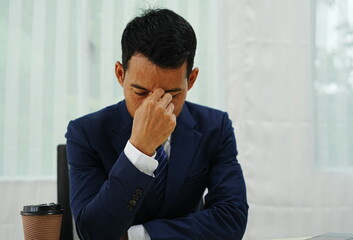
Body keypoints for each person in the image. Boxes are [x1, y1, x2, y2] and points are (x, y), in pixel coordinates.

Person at [65, 8, 248, 240]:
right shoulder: (86, 133)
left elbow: (231, 220)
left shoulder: (215, 127)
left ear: (191, 79)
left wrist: (138, 236)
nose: (156, 106)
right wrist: (139, 149)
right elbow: (93, 233)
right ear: (120, 74)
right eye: (141, 92)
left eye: (172, 93)